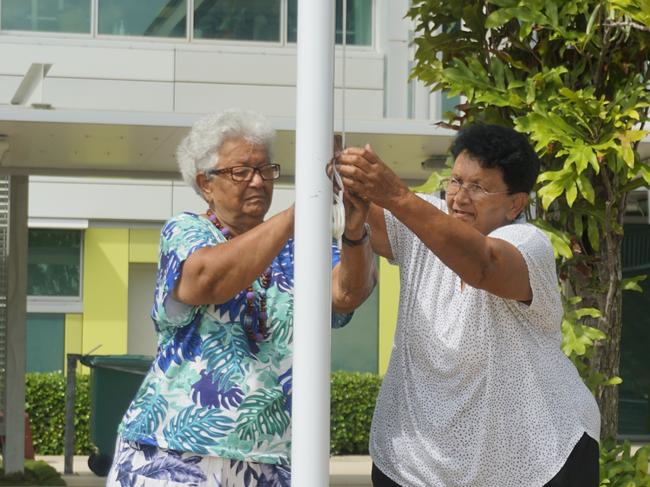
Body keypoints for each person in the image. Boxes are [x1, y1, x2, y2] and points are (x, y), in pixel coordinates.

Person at [107, 108, 375, 487]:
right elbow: (208, 279)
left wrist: (354, 227)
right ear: (206, 184)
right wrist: (302, 210)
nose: (258, 181)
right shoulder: (187, 230)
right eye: (241, 171)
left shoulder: (299, 244)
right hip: (174, 452)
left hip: (274, 457)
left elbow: (348, 293)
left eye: (266, 170)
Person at [336, 123, 601, 487]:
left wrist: (395, 193)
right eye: (456, 181)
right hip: (416, 465)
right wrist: (340, 173)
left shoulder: (529, 243)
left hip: (539, 459)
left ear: (516, 204)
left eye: (478, 187)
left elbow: (483, 264)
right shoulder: (426, 220)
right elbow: (359, 209)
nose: (459, 197)